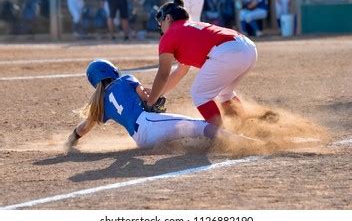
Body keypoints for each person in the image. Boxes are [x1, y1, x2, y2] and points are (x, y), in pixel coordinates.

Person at [64, 59, 257, 150]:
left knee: (184, 136)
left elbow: (84, 127)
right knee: (201, 126)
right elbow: (147, 97)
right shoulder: (125, 80)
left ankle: (214, 144)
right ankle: (247, 143)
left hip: (140, 140)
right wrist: (153, 101)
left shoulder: (101, 102)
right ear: (111, 71)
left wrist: (71, 140)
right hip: (148, 123)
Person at [146, 0, 257, 127]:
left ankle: (220, 135)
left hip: (229, 52)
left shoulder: (170, 34)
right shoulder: (188, 28)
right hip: (248, 48)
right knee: (225, 94)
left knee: (199, 94)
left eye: (161, 22)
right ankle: (243, 127)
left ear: (168, 18)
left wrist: (151, 102)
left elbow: (163, 74)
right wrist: (158, 94)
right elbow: (180, 72)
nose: (160, 26)